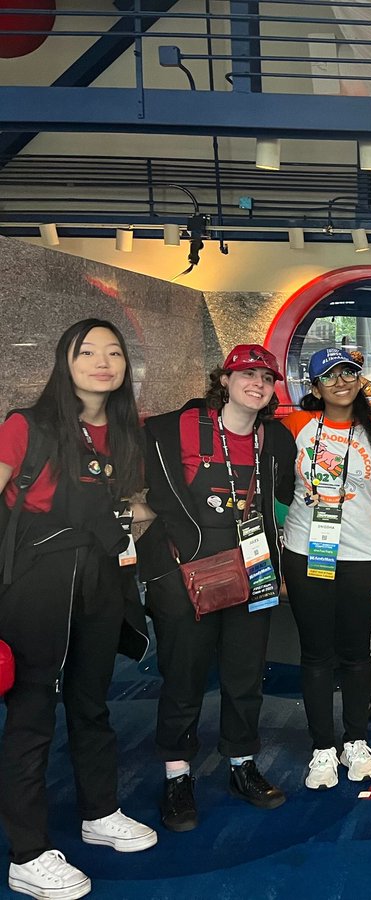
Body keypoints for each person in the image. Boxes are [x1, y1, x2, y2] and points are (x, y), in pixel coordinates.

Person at [0, 320, 156, 900]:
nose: (102, 362)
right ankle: (28, 852)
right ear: (64, 361)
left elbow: (132, 502)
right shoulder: (28, 426)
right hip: (38, 581)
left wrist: (138, 514)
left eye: (114, 352)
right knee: (32, 713)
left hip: (100, 576)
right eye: (87, 351)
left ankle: (100, 812)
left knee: (92, 702)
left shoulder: (124, 433)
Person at [141, 343, 296, 832]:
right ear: (223, 380)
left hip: (254, 572)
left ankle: (241, 765)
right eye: (246, 374)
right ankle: (177, 775)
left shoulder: (277, 440)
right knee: (183, 678)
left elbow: (287, 497)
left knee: (245, 677)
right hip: (186, 576)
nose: (258, 384)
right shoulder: (172, 430)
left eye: (267, 379)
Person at [281, 348, 371, 790]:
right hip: (306, 553)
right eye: (329, 375)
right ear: (314, 388)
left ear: (360, 382)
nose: (340, 381)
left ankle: (355, 739)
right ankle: (322, 748)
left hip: (363, 556)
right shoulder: (294, 427)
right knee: (316, 654)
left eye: (349, 372)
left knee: (354, 654)